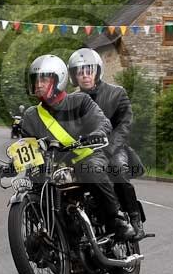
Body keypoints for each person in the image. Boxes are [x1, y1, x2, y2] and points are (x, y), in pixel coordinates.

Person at [19, 54, 135, 240]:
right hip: (56, 165)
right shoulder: (31, 115)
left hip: (87, 156)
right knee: (36, 185)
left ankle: (116, 219)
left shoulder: (80, 101)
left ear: (59, 79)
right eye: (35, 79)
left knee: (90, 170)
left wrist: (96, 133)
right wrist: (11, 164)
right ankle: (52, 235)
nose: (38, 84)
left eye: (44, 78)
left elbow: (102, 122)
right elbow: (26, 146)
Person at [67, 48, 146, 240]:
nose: (85, 75)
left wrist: (110, 148)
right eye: (80, 71)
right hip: (85, 152)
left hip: (114, 148)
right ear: (74, 76)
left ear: (97, 71)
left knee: (118, 169)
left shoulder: (117, 93)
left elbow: (125, 125)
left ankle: (134, 220)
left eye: (89, 70)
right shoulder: (71, 101)